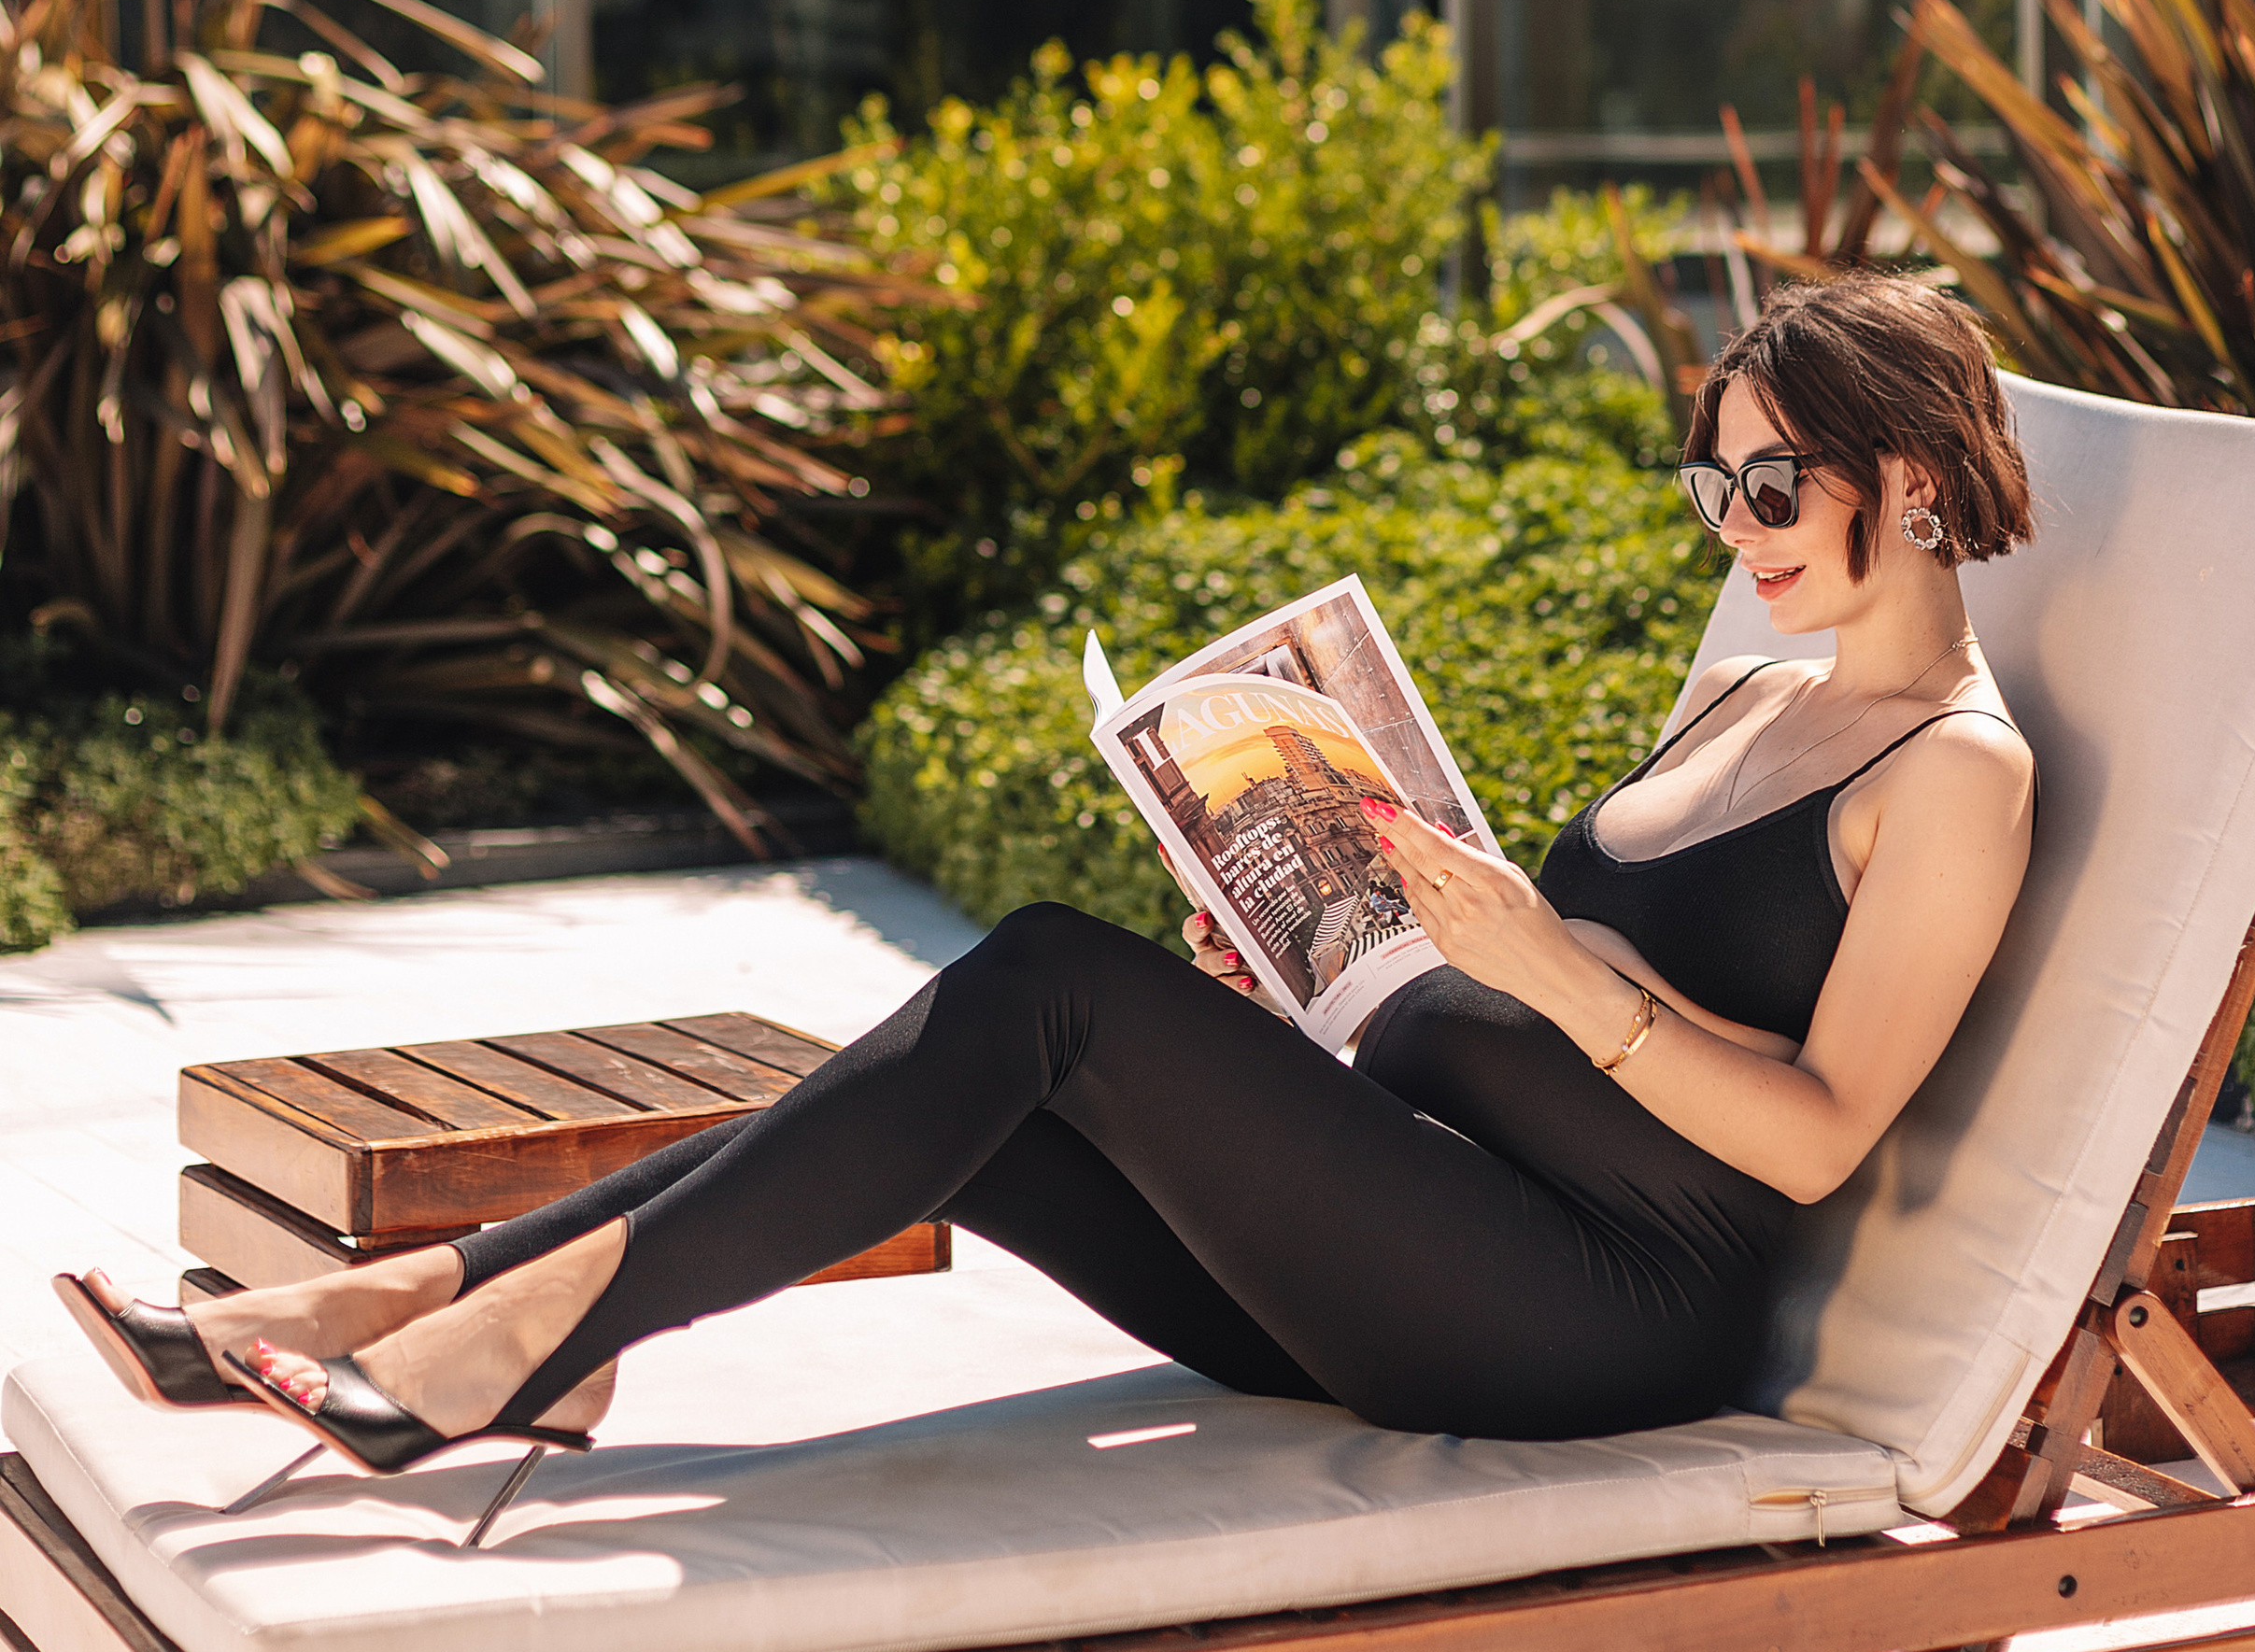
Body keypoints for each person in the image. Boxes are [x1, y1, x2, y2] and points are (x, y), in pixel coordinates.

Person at [59, 271, 2037, 1472]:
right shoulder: (1744, 700)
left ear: (1918, 476)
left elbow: (1811, 1136)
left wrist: (1540, 962)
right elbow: (1607, 992)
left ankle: (502, 1337)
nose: (1736, 530)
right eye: (1713, 491)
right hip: (1425, 1232)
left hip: (1588, 1312)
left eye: (1772, 487)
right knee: (956, 1086)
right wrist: (1304, 957)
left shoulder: (1952, 774)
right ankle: (437, 1307)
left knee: (1043, 979)